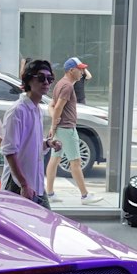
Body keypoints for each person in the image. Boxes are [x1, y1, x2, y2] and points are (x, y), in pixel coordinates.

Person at [1, 58, 59, 208]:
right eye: (41, 78)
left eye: (49, 78)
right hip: (18, 184)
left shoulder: (37, 109)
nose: (46, 82)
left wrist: (47, 144)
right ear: (28, 80)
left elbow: (30, 146)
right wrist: (24, 185)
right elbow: (9, 151)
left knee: (45, 225)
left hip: (35, 183)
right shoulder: (17, 111)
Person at [45, 58, 91, 202]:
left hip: (61, 128)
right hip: (67, 128)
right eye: (80, 69)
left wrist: (54, 125)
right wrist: (54, 125)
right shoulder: (67, 87)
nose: (82, 72)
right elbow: (57, 107)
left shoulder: (60, 84)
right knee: (75, 162)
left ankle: (50, 194)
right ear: (71, 70)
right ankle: (85, 195)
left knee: (55, 159)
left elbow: (51, 107)